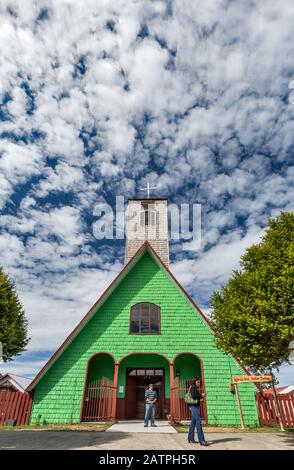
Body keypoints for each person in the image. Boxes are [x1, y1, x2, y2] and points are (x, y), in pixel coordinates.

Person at [187, 377, 209, 446]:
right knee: (199, 421)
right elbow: (193, 396)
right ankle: (202, 440)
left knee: (193, 422)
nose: (199, 383)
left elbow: (195, 396)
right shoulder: (193, 387)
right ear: (194, 382)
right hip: (193, 406)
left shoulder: (194, 387)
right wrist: (201, 395)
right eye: (198, 382)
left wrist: (200, 398)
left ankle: (190, 438)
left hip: (193, 406)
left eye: (199, 382)